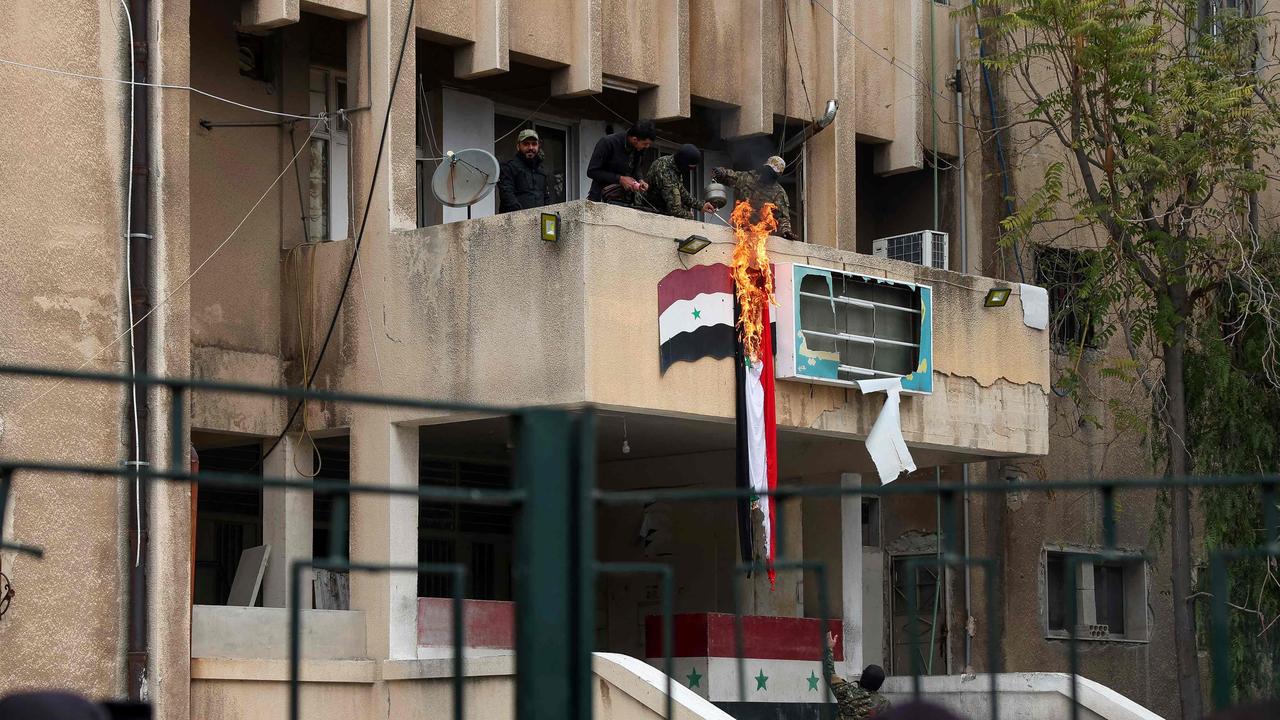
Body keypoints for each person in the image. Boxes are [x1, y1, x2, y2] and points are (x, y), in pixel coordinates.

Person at [712, 155, 798, 240]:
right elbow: (732, 177)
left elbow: (783, 217)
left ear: (777, 176)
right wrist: (722, 173)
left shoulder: (778, 193)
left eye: (773, 173)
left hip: (759, 236)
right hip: (737, 230)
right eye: (768, 170)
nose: (769, 175)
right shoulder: (748, 178)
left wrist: (786, 231)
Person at [637, 144, 717, 219]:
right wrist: (689, 215)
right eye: (691, 168)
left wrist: (700, 206)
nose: (690, 171)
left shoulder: (672, 164)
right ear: (684, 164)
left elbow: (681, 190)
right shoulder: (666, 173)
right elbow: (674, 210)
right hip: (651, 214)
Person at [825, 631, 891, 719]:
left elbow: (828, 673)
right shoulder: (884, 704)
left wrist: (829, 649)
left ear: (863, 677)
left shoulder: (846, 692)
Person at [587, 120, 656, 202]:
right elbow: (592, 171)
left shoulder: (638, 148)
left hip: (625, 199)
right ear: (634, 139)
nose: (647, 147)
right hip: (601, 197)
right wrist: (620, 179)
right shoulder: (608, 142)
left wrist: (640, 180)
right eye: (645, 144)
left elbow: (636, 167)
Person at [497, 128, 554, 213]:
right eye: (526, 144)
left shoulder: (541, 171)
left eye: (534, 144)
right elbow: (507, 196)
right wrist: (524, 216)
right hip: (516, 221)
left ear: (538, 146)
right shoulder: (508, 168)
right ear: (518, 146)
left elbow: (546, 197)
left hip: (539, 221)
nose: (530, 148)